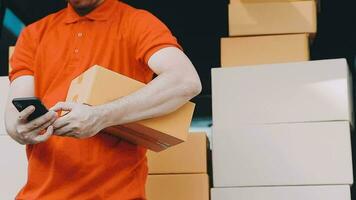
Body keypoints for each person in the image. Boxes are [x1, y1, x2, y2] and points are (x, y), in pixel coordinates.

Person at [4, 0, 202, 199]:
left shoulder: (136, 22)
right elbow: (16, 111)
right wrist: (19, 130)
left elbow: (185, 80)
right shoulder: (34, 33)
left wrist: (101, 116)